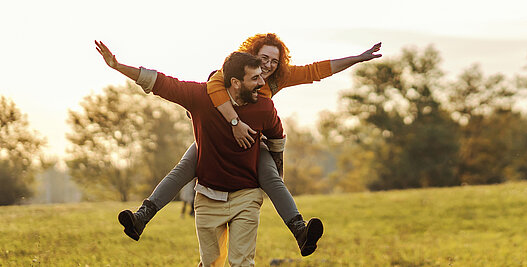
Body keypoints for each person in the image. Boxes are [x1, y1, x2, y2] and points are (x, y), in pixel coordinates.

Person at [118, 33, 382, 256]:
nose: (267, 66)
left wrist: (358, 58)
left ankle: (300, 231)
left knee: (272, 177)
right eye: (264, 58)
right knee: (183, 168)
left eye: (274, 61)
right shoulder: (228, 74)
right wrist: (234, 122)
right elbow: (207, 86)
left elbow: (318, 70)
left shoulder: (275, 80)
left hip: (255, 143)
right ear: (252, 56)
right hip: (215, 137)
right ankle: (142, 217)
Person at [96, 40, 280, 266]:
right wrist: (118, 66)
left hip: (246, 196)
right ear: (235, 82)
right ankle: (144, 214)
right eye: (255, 78)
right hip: (208, 197)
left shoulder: (262, 106)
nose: (262, 83)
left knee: (242, 263)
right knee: (210, 263)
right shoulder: (200, 96)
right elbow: (159, 82)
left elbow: (277, 137)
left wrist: (275, 173)